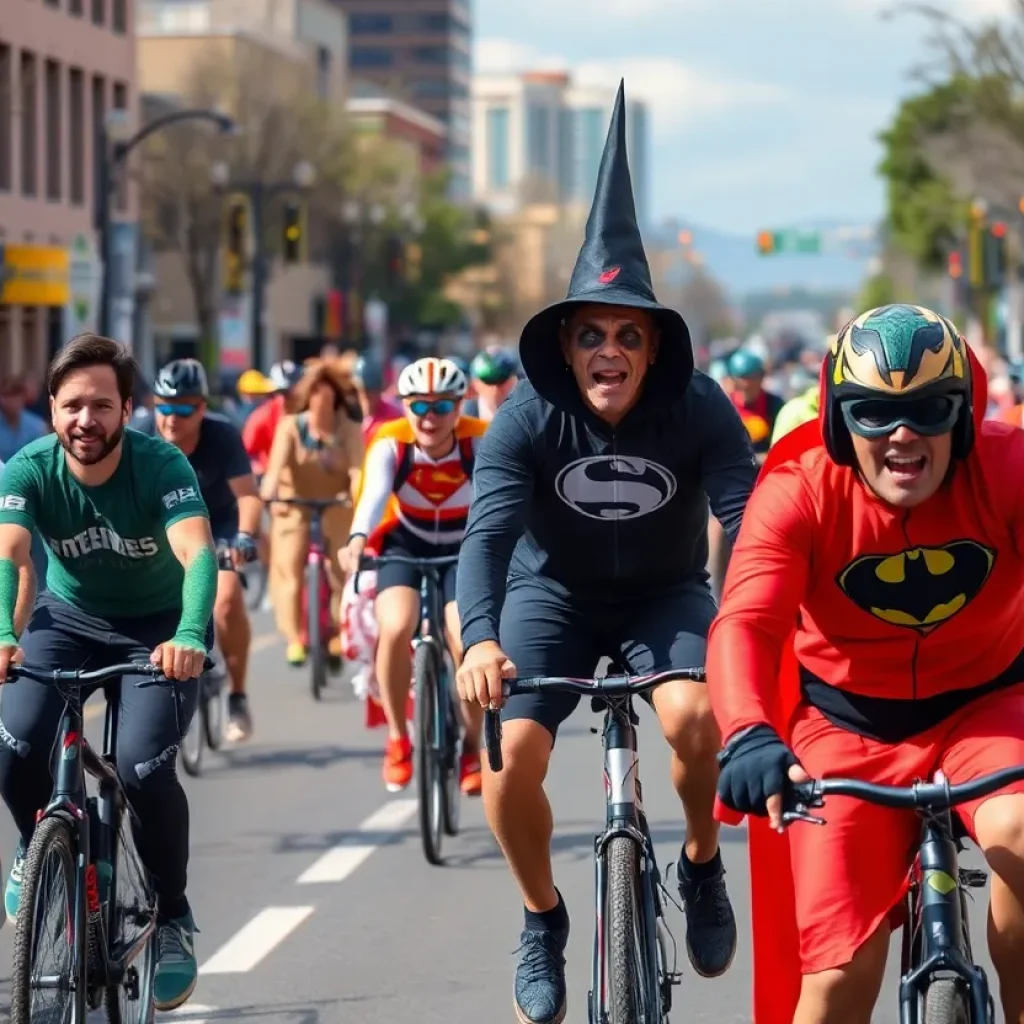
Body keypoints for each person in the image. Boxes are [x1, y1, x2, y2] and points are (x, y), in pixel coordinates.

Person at [453, 83, 757, 1024]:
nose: (610, 351)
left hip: (666, 594)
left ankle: (700, 863)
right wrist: (477, 638)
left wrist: (762, 624)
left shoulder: (701, 408)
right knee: (509, 758)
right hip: (551, 598)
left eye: (630, 335)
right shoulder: (525, 417)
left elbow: (750, 525)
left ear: (655, 348)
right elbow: (486, 534)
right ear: (567, 346)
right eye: (592, 335)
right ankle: (542, 918)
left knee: (697, 718)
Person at [709, 304, 1024, 1024]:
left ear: (963, 418)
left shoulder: (1011, 467)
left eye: (929, 410)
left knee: (1020, 834)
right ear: (837, 422)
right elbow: (746, 622)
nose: (903, 434)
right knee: (836, 979)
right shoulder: (797, 491)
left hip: (989, 711)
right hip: (845, 730)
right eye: (875, 413)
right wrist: (749, 731)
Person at [0, 334, 216, 1011]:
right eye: (71, 406)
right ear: (52, 409)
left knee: (143, 768)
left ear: (127, 409)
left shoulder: (161, 464)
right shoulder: (29, 467)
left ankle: (173, 916)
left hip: (159, 627)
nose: (85, 420)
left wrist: (188, 634)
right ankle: (35, 846)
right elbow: (10, 555)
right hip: (68, 619)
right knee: (15, 746)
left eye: (101, 405)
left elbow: (198, 554)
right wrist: (3, 633)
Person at [339, 357, 487, 794]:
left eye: (441, 407)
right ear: (405, 406)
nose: (429, 418)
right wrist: (356, 538)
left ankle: (471, 746)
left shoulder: (479, 441)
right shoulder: (391, 442)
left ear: (460, 406)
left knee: (463, 638)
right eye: (419, 406)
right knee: (395, 625)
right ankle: (398, 738)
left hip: (464, 547)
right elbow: (373, 496)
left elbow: (498, 500)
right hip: (405, 543)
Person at [153, 358, 262, 742]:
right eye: (163, 407)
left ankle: (238, 695)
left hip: (219, 529)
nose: (171, 418)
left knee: (227, 601)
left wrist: (245, 536)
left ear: (202, 408)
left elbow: (248, 495)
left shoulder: (222, 436)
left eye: (183, 410)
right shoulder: (139, 437)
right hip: (162, 531)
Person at [261, 359, 363, 666]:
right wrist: (271, 494)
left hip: (337, 504)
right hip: (295, 503)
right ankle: (294, 637)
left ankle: (337, 632)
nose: (322, 401)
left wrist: (358, 497)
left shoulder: (349, 429)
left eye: (328, 394)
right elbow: (274, 469)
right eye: (316, 392)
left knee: (341, 570)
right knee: (289, 569)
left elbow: (358, 470)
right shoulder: (291, 427)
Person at [242, 360, 302, 477]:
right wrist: (259, 468)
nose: (287, 399)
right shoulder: (262, 416)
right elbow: (245, 454)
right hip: (273, 479)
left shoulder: (312, 414)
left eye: (292, 393)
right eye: (282, 393)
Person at [726, 348, 785, 459]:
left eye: (752, 378)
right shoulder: (725, 407)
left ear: (761, 378)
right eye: (742, 379)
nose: (747, 384)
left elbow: (784, 445)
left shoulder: (774, 405)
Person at [349, 353, 403, 446]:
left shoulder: (393, 418)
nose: (364, 396)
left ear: (379, 390)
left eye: (369, 390)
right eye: (359, 390)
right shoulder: (346, 413)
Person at [0, 375, 48, 463]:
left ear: (23, 397)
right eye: (6, 395)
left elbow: (43, 458)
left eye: (16, 395)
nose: (12, 401)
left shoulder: (37, 425)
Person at [464, 347, 518, 421]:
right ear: (475, 384)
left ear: (514, 380)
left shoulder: (525, 411)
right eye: (488, 381)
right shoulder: (465, 415)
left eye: (502, 380)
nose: (496, 389)